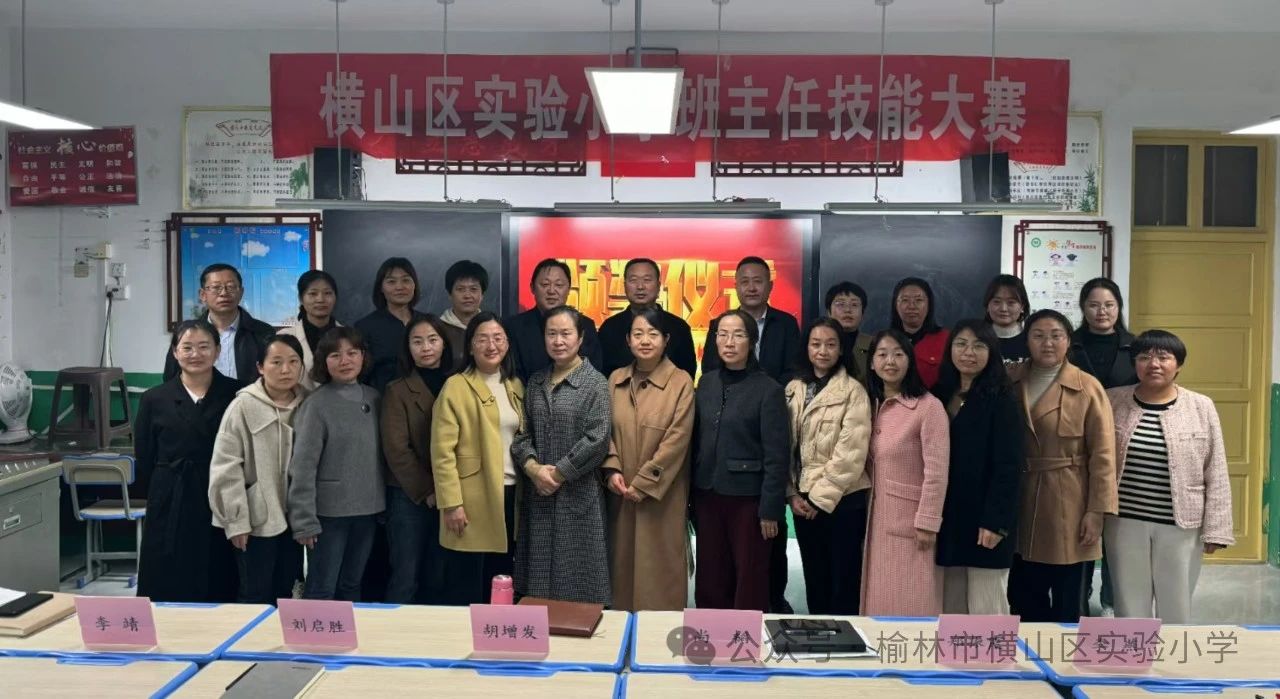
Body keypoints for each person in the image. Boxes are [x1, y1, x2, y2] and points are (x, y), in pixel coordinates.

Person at [1105, 330, 1234, 623]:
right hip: (1123, 522)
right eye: (1144, 357)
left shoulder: (1201, 406)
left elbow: (1216, 469)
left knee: (1175, 605)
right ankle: (1134, 653)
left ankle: (1172, 654)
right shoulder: (1113, 401)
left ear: (1179, 365)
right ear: (1134, 363)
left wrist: (1217, 529)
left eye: (1164, 357)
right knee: (1128, 605)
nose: (1154, 364)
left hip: (1181, 525)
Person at [700, 256, 801, 612]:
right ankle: (709, 636)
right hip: (708, 494)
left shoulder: (768, 389)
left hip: (749, 499)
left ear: (752, 341)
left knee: (750, 577)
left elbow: (777, 455)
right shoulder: (706, 384)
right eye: (722, 335)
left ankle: (745, 640)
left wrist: (770, 509)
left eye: (739, 335)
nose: (729, 342)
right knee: (711, 575)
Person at [1008, 310, 1116, 622]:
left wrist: (1097, 512)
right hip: (1019, 498)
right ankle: (1030, 652)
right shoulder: (1010, 381)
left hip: (1070, 500)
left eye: (1056, 335)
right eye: (1038, 335)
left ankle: (1067, 654)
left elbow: (1103, 455)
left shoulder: (1087, 387)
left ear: (1068, 341)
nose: (1047, 343)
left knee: (1070, 601)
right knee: (1024, 597)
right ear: (1026, 341)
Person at [512, 306, 613, 604]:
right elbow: (522, 434)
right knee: (537, 587)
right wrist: (533, 469)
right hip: (539, 494)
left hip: (579, 494)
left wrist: (558, 473)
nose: (558, 341)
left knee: (579, 582)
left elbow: (598, 439)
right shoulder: (536, 382)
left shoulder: (595, 383)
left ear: (580, 338)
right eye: (551, 334)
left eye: (566, 334)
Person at [136, 320, 240, 602]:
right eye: (187, 347)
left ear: (217, 351)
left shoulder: (236, 394)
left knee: (218, 570)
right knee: (168, 572)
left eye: (204, 347)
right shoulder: (154, 398)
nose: (196, 354)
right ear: (175, 352)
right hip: (171, 495)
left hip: (219, 492)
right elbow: (144, 456)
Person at [603, 307, 695, 611]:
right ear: (628, 340)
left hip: (662, 495)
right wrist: (612, 469)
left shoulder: (681, 382)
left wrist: (643, 483)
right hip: (620, 492)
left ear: (666, 340)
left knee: (660, 570)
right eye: (638, 334)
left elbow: (677, 440)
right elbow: (604, 431)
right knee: (621, 566)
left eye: (653, 334)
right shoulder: (615, 380)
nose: (645, 341)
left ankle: (659, 633)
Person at [431, 313, 524, 605]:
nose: (491, 345)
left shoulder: (515, 385)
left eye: (498, 338)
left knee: (500, 579)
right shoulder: (456, 386)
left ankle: (496, 632)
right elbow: (442, 452)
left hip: (511, 493)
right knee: (467, 583)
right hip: (471, 497)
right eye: (482, 339)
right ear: (470, 346)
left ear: (507, 343)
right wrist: (451, 503)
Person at [287, 327, 386, 601]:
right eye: (335, 355)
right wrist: (304, 520)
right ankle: (316, 632)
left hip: (368, 511)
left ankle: (348, 632)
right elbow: (302, 467)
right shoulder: (316, 404)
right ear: (324, 361)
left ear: (363, 356)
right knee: (322, 587)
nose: (345, 361)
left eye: (352, 353)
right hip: (328, 515)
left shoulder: (375, 398)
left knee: (352, 585)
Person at [209, 334, 309, 604]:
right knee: (255, 592)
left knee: (288, 589)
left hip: (295, 517)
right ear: (260, 367)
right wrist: (236, 521)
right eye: (276, 362)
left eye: (293, 361)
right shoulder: (242, 406)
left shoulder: (309, 404)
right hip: (256, 519)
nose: (286, 369)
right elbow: (226, 466)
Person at [931, 320, 1022, 614]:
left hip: (986, 518)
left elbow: (1009, 465)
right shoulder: (939, 393)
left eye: (978, 345)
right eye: (961, 344)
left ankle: (992, 651)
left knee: (987, 607)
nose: (968, 352)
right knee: (951, 606)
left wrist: (996, 522)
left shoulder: (1002, 397)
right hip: (948, 516)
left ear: (991, 352)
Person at [784, 317, 872, 615]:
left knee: (843, 583)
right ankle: (819, 636)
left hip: (843, 501)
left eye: (831, 344)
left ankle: (846, 640)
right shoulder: (793, 388)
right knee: (815, 578)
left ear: (841, 349)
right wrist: (791, 493)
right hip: (803, 500)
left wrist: (818, 499)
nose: (823, 351)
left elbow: (851, 453)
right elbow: (785, 446)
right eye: (816, 344)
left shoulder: (854, 391)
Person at [860, 329, 949, 616]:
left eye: (898, 354)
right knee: (876, 601)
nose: (890, 361)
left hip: (910, 523)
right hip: (873, 519)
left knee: (911, 601)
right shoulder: (868, 405)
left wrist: (927, 522)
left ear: (910, 361)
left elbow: (937, 471)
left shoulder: (928, 407)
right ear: (872, 362)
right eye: (882, 354)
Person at [1068, 276, 1137, 611]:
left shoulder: (1135, 347)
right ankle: (1078, 598)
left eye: (1109, 305)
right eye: (1094, 305)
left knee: (1118, 531)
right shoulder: (1068, 344)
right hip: (1075, 445)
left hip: (1124, 446)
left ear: (1118, 307)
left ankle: (1112, 599)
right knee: (1081, 525)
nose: (1102, 311)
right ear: (1083, 307)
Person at [381, 315, 454, 604]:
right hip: (410, 495)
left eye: (433, 340)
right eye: (417, 341)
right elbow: (397, 450)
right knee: (406, 575)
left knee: (440, 575)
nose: (426, 347)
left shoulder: (457, 384)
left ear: (444, 344)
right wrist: (427, 490)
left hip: (450, 493)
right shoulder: (397, 390)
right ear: (408, 348)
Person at [163, 263, 275, 386]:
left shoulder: (263, 332)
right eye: (216, 287)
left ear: (241, 292)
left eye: (231, 287)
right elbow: (171, 378)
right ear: (203, 295)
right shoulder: (185, 335)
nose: (223, 293)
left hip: (250, 398)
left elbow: (273, 375)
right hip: (201, 398)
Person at [702, 256, 801, 382]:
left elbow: (793, 370)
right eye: (745, 282)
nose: (751, 288)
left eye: (758, 281)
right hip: (729, 393)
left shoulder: (786, 324)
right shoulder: (719, 324)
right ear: (736, 287)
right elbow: (710, 370)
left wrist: (769, 391)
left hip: (775, 392)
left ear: (770, 286)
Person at [505, 258, 603, 383]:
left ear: (569, 289)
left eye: (559, 285)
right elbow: (512, 375)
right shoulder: (514, 327)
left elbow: (594, 372)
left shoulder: (585, 325)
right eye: (545, 285)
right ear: (532, 288)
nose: (551, 291)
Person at [598, 258, 697, 380]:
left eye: (647, 280)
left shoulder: (679, 327)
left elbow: (688, 373)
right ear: (624, 286)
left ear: (658, 286)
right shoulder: (609, 327)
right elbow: (601, 373)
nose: (640, 286)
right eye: (633, 280)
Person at [355, 257, 429, 394]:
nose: (399, 287)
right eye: (391, 281)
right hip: (382, 401)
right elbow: (360, 376)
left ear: (414, 285)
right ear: (381, 288)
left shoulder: (428, 323)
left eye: (406, 280)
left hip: (429, 399)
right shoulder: (365, 327)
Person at [280, 270, 341, 390]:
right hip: (297, 401)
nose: (320, 299)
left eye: (327, 293)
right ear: (301, 298)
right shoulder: (283, 338)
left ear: (335, 297)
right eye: (313, 294)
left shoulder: (349, 337)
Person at [890, 277, 949, 389]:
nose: (912, 306)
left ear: (929, 304)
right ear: (895, 304)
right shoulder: (884, 340)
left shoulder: (946, 339)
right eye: (905, 300)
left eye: (919, 300)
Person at [439, 260, 488, 368]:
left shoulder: (493, 328)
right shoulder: (437, 329)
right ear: (450, 294)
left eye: (473, 289)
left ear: (482, 295)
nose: (467, 295)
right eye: (460, 289)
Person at [826, 281, 872, 382]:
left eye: (854, 305)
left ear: (863, 313)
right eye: (840, 304)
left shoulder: (875, 345)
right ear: (829, 312)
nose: (847, 310)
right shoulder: (816, 344)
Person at [983, 274, 1031, 366]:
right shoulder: (977, 338)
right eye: (996, 302)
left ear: (1022, 307)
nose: (1003, 309)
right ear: (988, 305)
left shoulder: (1032, 341)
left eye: (1011, 302)